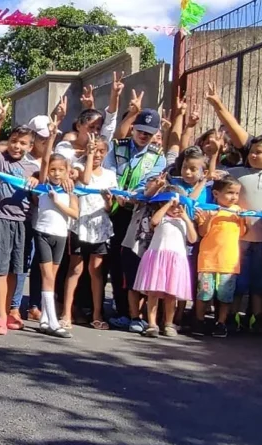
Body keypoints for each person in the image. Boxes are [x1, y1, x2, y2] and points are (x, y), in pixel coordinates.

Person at [105, 100, 167, 329]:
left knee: (131, 263)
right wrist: (116, 192)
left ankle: (133, 313)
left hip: (137, 215)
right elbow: (108, 170)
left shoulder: (157, 156)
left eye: (149, 133)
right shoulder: (117, 147)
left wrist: (132, 196)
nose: (144, 136)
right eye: (141, 131)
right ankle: (116, 308)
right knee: (111, 262)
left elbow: (150, 182)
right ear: (133, 128)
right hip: (110, 209)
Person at [0, 99, 40, 335]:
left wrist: (37, 181)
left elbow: (40, 188)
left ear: (29, 146)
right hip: (0, 220)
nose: (17, 146)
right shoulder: (2, 160)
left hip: (23, 223)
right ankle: (0, 315)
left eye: (22, 143)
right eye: (14, 141)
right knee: (0, 269)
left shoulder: (31, 168)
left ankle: (9, 311)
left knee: (16, 270)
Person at [61, 135, 117, 330]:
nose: (98, 154)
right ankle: (66, 313)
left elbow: (110, 208)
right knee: (75, 269)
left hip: (100, 227)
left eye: (102, 150)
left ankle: (97, 314)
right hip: (79, 225)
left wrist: (109, 200)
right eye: (94, 149)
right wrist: (89, 157)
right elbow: (82, 180)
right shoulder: (76, 167)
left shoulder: (110, 175)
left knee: (96, 271)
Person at [34, 118, 78, 339]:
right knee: (47, 276)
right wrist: (51, 136)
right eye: (53, 170)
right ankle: (52, 320)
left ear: (68, 171)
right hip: (43, 232)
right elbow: (43, 160)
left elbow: (75, 213)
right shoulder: (44, 184)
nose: (57, 173)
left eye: (61, 170)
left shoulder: (71, 190)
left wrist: (59, 201)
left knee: (51, 276)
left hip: (61, 235)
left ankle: (44, 318)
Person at [133, 191, 197, 338]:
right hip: (158, 257)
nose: (176, 209)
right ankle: (152, 323)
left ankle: (169, 323)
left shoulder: (183, 222)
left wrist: (186, 218)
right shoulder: (162, 219)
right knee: (153, 292)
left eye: (179, 206)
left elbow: (193, 239)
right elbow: (154, 222)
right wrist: (168, 203)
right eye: (173, 206)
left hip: (175, 261)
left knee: (171, 294)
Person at [228, 136, 262, 332]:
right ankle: (231, 316)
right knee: (237, 281)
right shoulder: (237, 173)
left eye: (259, 152)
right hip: (239, 239)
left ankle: (257, 318)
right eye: (251, 151)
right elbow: (215, 179)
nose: (253, 155)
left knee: (261, 282)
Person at [194, 176, 245, 338]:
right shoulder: (208, 209)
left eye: (237, 193)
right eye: (230, 193)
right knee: (204, 293)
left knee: (225, 295)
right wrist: (210, 216)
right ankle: (199, 320)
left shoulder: (237, 211)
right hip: (208, 260)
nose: (234, 197)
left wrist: (244, 219)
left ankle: (221, 323)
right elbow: (202, 233)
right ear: (216, 193)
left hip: (229, 262)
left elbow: (243, 233)